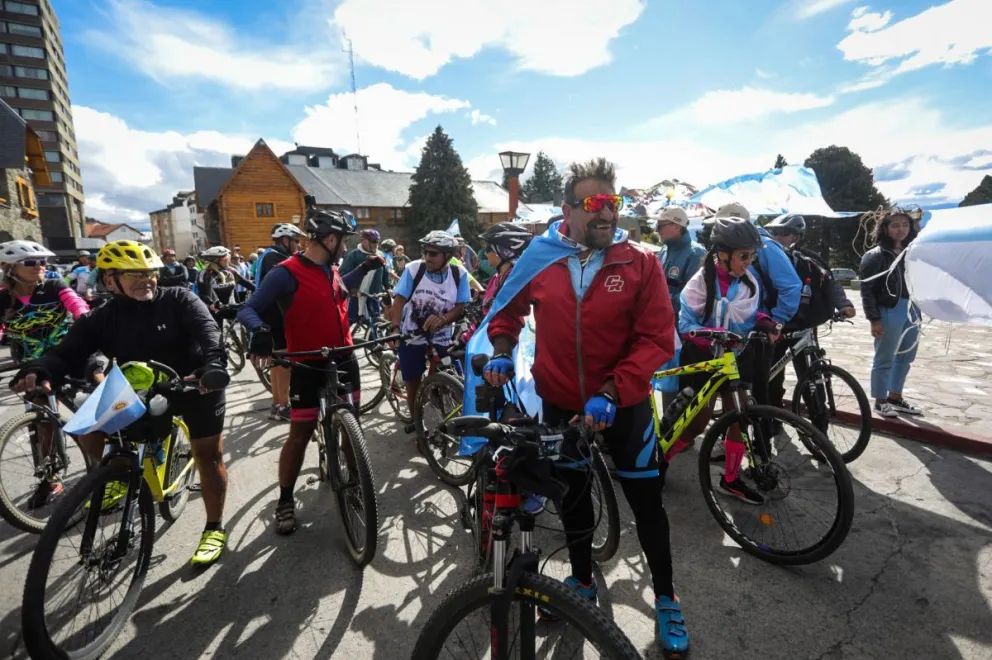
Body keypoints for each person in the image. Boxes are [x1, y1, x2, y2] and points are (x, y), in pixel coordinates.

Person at [482, 158, 688, 656]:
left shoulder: (640, 260)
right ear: (568, 209)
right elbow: (505, 311)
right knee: (572, 497)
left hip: (626, 406)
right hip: (560, 403)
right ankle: (581, 583)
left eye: (613, 204)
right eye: (596, 204)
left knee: (647, 503)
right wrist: (503, 352)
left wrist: (614, 391)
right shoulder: (541, 256)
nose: (607, 214)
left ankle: (666, 598)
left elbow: (657, 338)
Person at [10, 240, 230, 565]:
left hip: (192, 382)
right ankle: (121, 476)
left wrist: (213, 365)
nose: (147, 280)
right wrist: (40, 369)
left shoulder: (179, 299)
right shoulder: (103, 317)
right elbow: (67, 352)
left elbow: (208, 331)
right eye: (134, 274)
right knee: (89, 428)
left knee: (208, 455)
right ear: (110, 280)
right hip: (138, 387)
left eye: (150, 272)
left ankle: (214, 527)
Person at [237, 209, 385, 534]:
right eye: (343, 242)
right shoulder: (284, 272)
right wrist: (259, 331)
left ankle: (356, 483)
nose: (345, 249)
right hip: (306, 363)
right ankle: (285, 500)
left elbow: (336, 291)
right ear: (329, 239)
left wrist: (363, 268)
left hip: (344, 358)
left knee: (351, 429)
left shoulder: (329, 268)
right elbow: (247, 307)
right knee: (300, 435)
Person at [665, 217, 781, 505]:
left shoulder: (749, 282)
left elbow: (750, 315)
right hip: (702, 353)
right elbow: (686, 323)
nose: (750, 262)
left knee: (738, 416)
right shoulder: (701, 281)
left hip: (732, 357)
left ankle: (730, 479)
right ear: (723, 254)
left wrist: (766, 322)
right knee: (697, 422)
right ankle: (660, 459)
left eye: (753, 255)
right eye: (744, 256)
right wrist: (712, 335)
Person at [763, 214, 856, 411]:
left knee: (811, 374)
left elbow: (831, 282)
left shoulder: (809, 259)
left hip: (805, 326)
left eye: (785, 233)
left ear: (797, 236)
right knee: (772, 373)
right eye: (776, 233)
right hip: (778, 325)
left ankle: (817, 417)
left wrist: (844, 304)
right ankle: (772, 415)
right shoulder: (768, 257)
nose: (779, 237)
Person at [389, 230, 470, 426]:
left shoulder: (459, 274)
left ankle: (437, 401)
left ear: (448, 256)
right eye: (425, 252)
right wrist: (395, 329)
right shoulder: (414, 270)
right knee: (414, 384)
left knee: (443, 377)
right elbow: (399, 301)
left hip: (441, 334)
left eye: (433, 254)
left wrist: (443, 318)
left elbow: (460, 307)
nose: (427, 257)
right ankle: (419, 425)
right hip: (412, 333)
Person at [859, 207, 923, 417]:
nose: (901, 229)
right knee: (884, 357)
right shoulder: (875, 255)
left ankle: (895, 397)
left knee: (906, 356)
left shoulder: (914, 252)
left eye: (905, 225)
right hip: (889, 309)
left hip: (912, 309)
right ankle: (880, 400)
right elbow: (867, 290)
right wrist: (874, 319)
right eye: (895, 225)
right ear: (885, 228)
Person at [0, 241, 89, 363]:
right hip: (29, 357)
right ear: (10, 268)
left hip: (66, 349)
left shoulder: (54, 285)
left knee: (93, 370)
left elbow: (75, 302)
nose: (39, 266)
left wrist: (83, 316)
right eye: (30, 262)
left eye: (42, 262)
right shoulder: (3, 297)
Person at [655, 206, 707, 409]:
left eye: (660, 225)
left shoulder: (696, 253)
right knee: (668, 382)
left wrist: (660, 298)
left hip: (684, 333)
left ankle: (684, 435)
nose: (657, 229)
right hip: (665, 330)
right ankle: (671, 432)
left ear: (676, 226)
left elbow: (695, 299)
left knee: (684, 385)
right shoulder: (665, 250)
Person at [255, 222, 306, 421]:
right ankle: (284, 406)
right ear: (285, 241)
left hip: (270, 315)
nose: (298, 246)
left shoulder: (268, 255)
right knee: (284, 363)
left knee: (277, 363)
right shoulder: (275, 258)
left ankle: (277, 404)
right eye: (296, 241)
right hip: (276, 316)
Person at [340, 229, 389, 326]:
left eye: (377, 241)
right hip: (356, 298)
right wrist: (351, 290)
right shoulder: (353, 255)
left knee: (376, 325)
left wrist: (388, 287)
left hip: (374, 297)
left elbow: (385, 274)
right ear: (363, 241)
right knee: (348, 323)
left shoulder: (380, 255)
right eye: (373, 241)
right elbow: (342, 275)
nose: (376, 244)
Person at [197, 246, 255, 314]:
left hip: (233, 309)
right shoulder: (205, 274)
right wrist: (212, 304)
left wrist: (259, 291)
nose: (229, 260)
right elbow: (204, 294)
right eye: (226, 258)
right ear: (216, 260)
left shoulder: (230, 271)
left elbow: (246, 283)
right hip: (216, 311)